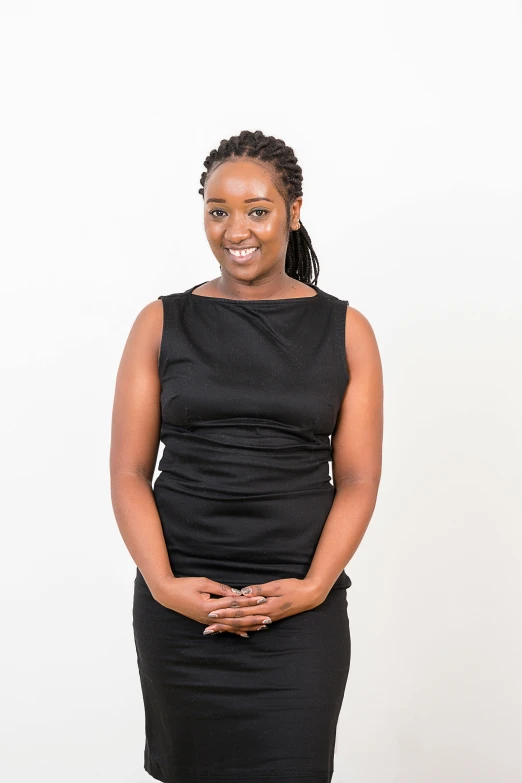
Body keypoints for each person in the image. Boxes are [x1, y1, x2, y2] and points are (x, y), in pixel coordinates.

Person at [110, 129, 383, 783]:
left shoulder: (346, 330)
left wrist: (315, 586)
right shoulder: (161, 321)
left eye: (257, 209)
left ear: (293, 211)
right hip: (180, 613)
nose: (237, 228)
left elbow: (358, 477)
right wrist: (166, 586)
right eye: (218, 209)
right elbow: (127, 472)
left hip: (299, 614)